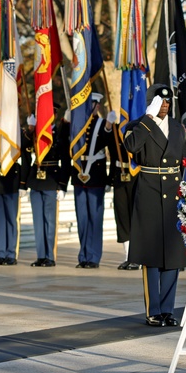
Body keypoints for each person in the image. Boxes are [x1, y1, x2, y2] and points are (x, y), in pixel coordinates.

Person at [123, 84, 186, 327]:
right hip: (149, 191)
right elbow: (131, 148)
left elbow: (184, 162)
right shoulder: (136, 126)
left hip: (173, 193)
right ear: (150, 102)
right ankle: (154, 310)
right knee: (151, 255)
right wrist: (148, 119)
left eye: (168, 101)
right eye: (160, 101)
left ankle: (168, 310)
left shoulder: (178, 128)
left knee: (172, 254)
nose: (166, 104)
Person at [69, 93, 116, 269]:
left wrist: (109, 127)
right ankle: (83, 255)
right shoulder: (77, 123)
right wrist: (66, 123)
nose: (90, 107)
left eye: (93, 104)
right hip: (79, 174)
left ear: (97, 106)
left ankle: (94, 257)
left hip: (95, 175)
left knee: (95, 219)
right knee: (82, 218)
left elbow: (110, 144)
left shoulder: (102, 124)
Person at [23, 112, 68, 267]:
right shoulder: (35, 132)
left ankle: (50, 256)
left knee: (49, 221)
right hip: (36, 180)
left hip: (51, 180)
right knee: (38, 222)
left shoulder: (59, 132)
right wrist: (30, 129)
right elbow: (24, 147)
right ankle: (41, 255)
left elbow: (65, 160)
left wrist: (62, 185)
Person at [0, 121, 29, 265]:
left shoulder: (18, 132)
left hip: (12, 180)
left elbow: (26, 158)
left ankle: (11, 254)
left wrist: (23, 184)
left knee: (11, 219)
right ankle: (1, 253)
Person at [107, 110, 140, 271]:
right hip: (120, 176)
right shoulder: (116, 130)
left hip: (136, 176)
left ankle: (138, 256)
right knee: (122, 215)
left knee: (136, 215)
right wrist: (108, 127)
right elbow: (106, 147)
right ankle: (128, 255)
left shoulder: (138, 129)